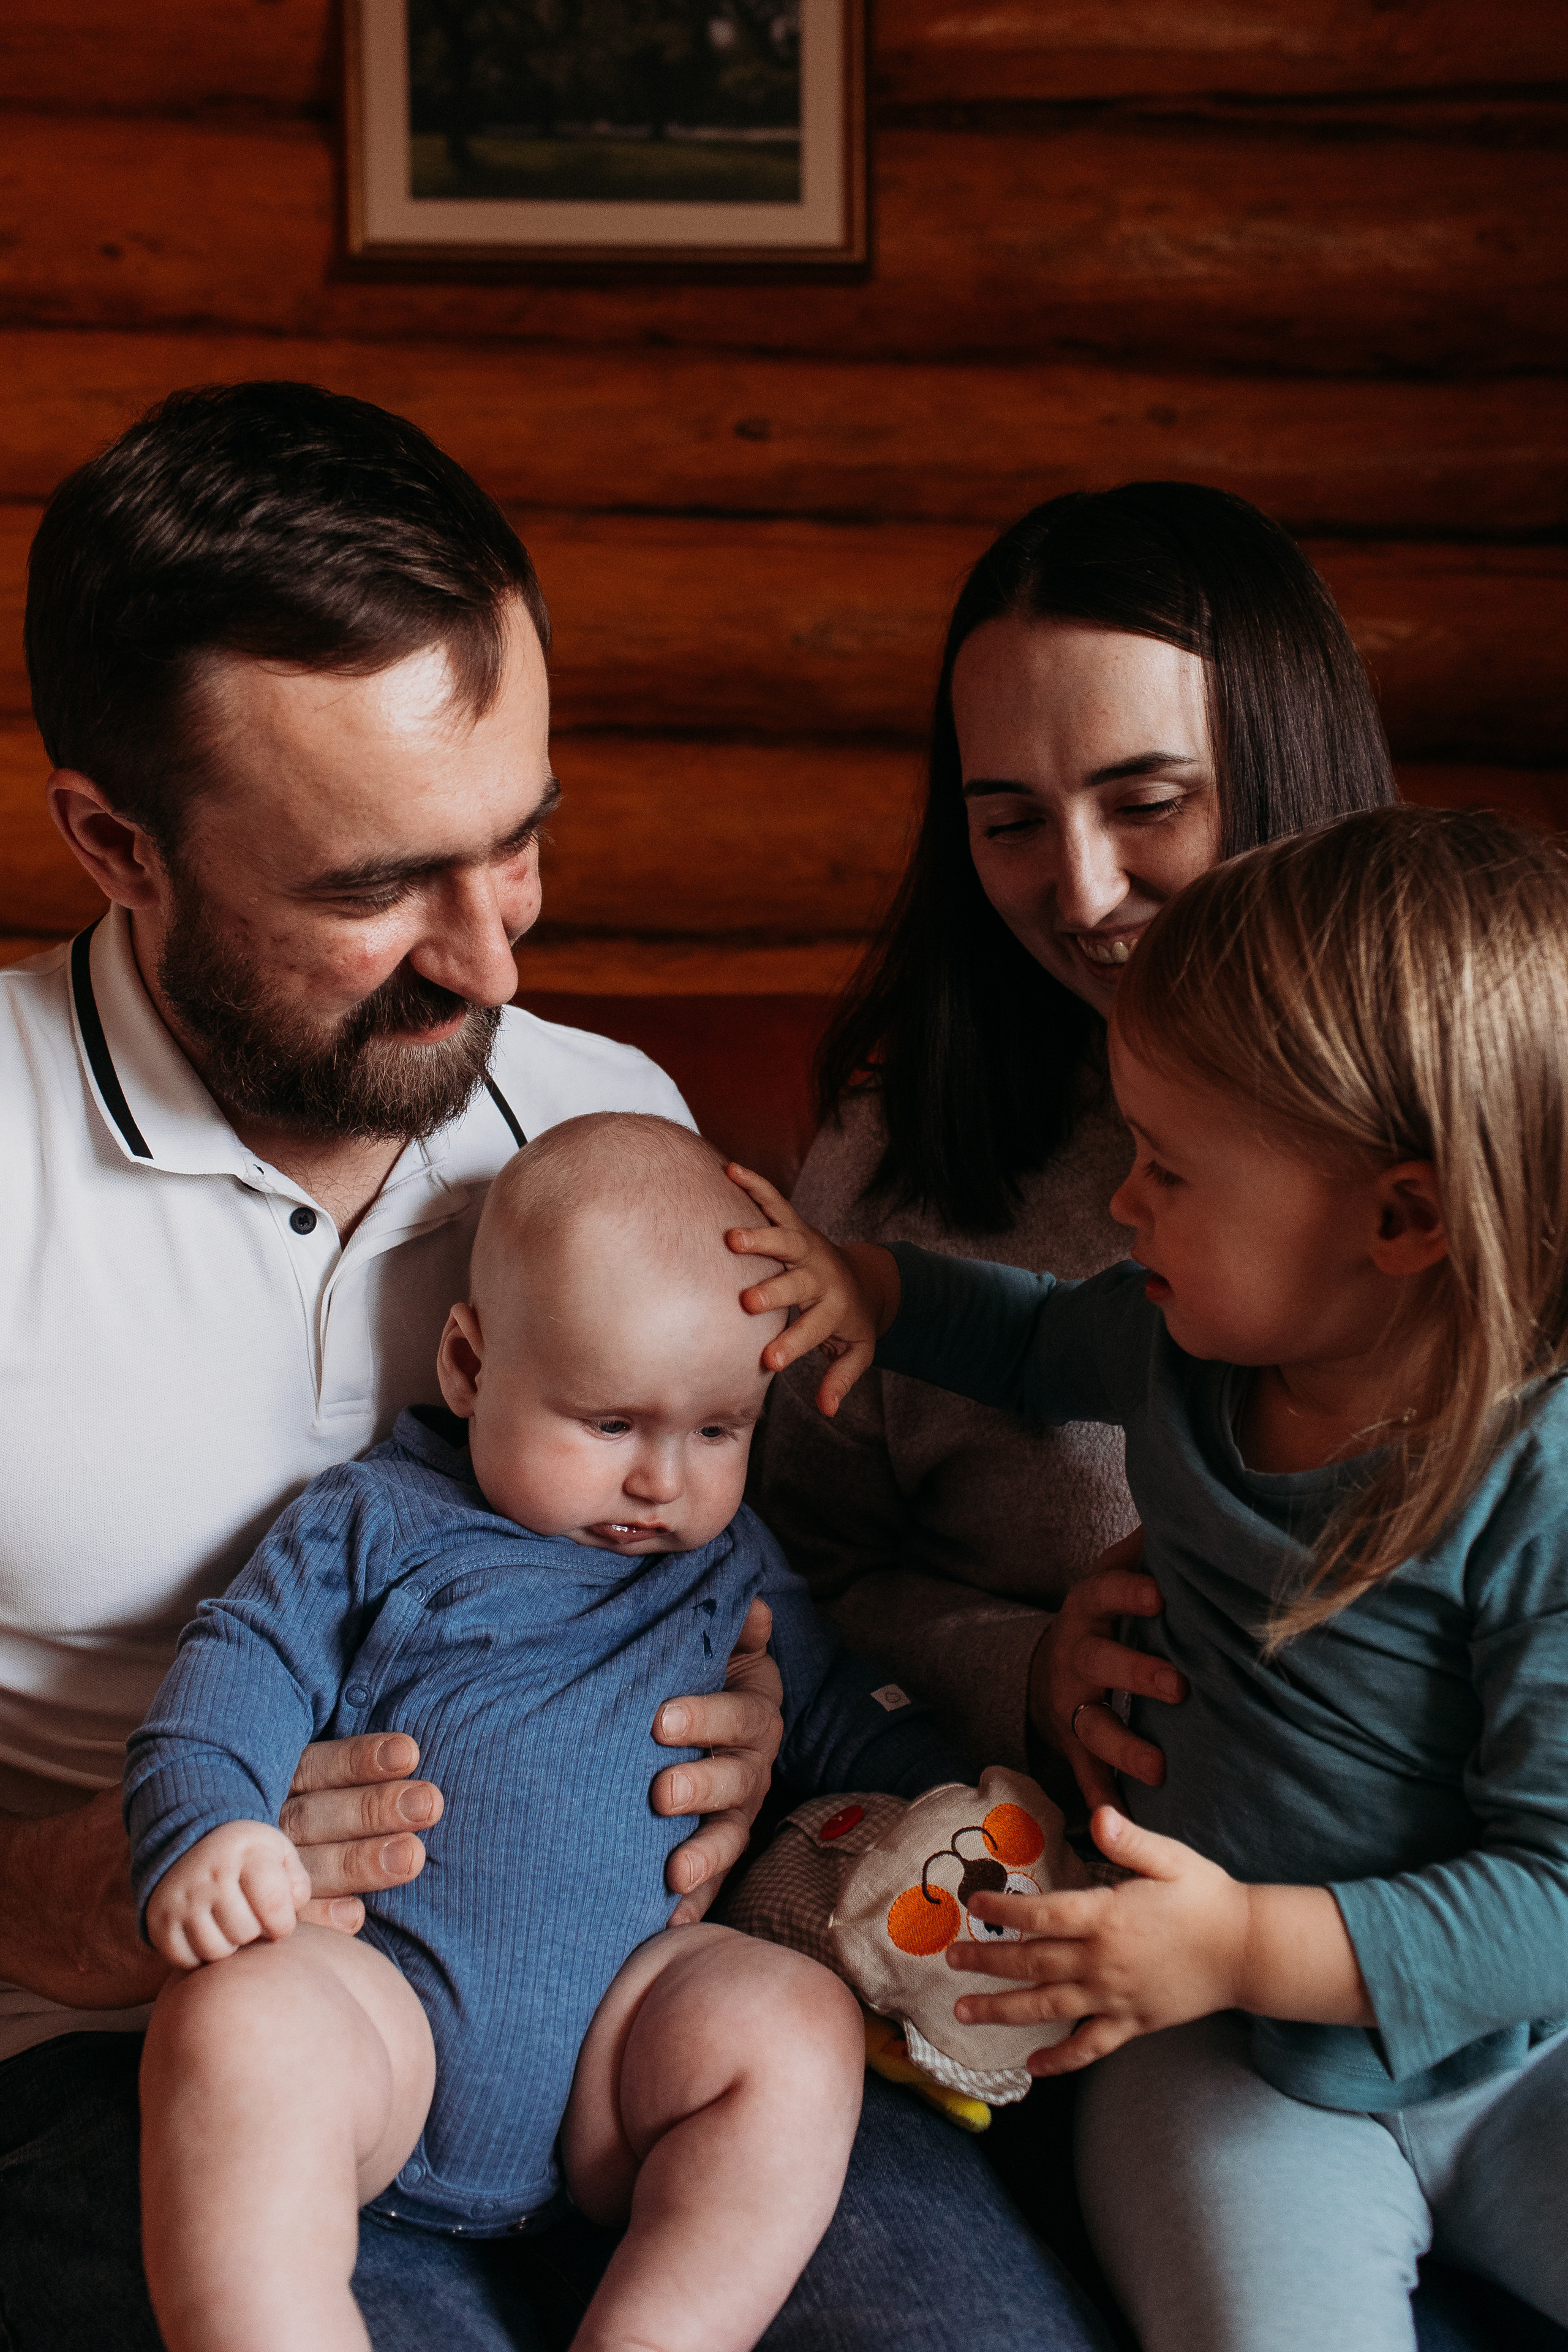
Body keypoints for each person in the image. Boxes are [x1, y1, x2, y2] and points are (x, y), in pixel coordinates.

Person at [0, 383, 1113, 2352]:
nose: (497, 965)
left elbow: (759, 1589)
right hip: (158, 2044)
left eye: (519, 844)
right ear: (117, 842)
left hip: (625, 2018)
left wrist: (768, 1753)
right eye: (372, 888)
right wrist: (79, 1889)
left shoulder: (610, 1122)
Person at [733, 807, 1568, 2350]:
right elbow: (1018, 1330)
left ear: (1399, 1219)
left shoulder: (1537, 1486)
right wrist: (865, 1285)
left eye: (1167, 1170)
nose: (1120, 1202)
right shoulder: (1179, 1348)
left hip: (1519, 2058)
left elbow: (1552, 1901)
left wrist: (1246, 1935)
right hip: (1211, 2044)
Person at [129, 1115, 971, 2352]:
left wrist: (958, 1800)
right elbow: (236, 1670)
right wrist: (208, 1829)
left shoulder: (729, 1562)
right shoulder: (376, 1523)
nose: (661, 1481)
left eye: (718, 1431)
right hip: (377, 2019)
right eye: (610, 1424)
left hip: (622, 2059)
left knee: (795, 2024)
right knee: (236, 2022)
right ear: (469, 1365)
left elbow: (842, 1707)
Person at [753, 483, 1397, 1773]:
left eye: (1147, 803)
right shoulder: (892, 1164)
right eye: (1010, 824)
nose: (1084, 893)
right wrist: (1024, 1673)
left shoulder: (1500, 1130)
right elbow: (783, 1573)